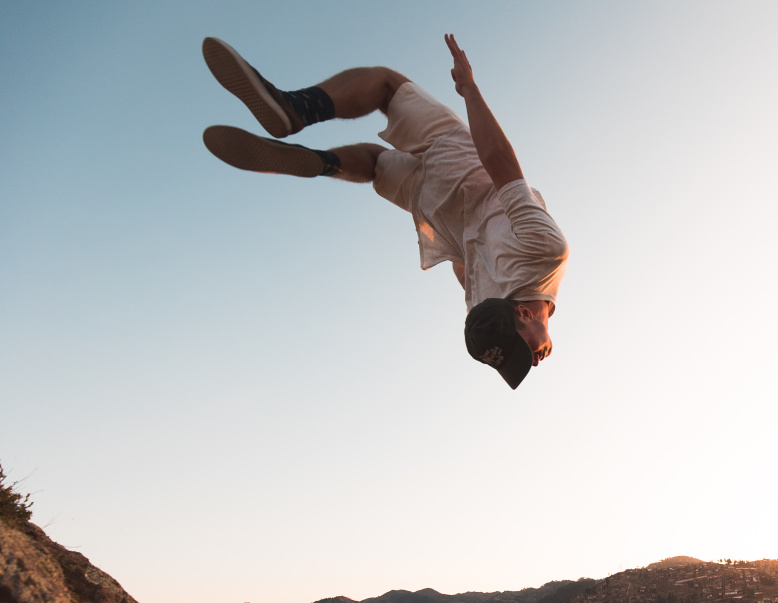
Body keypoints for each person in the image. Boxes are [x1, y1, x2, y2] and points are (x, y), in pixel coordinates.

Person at [201, 35, 568, 389]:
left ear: (523, 314)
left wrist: (469, 89)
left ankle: (295, 109)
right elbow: (463, 267)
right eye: (523, 354)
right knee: (376, 165)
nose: (534, 360)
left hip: (463, 171)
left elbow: (499, 162)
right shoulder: (482, 305)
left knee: (388, 86)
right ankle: (321, 162)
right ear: (518, 314)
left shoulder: (546, 254)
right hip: (435, 211)